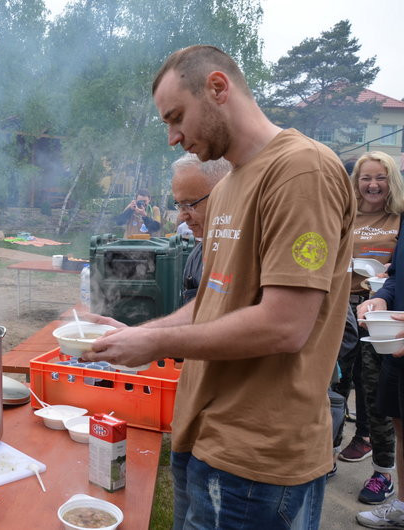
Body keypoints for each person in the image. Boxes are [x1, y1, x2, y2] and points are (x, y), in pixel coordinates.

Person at [84, 45, 354, 528]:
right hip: (203, 438)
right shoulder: (228, 185)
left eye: (176, 117)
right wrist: (137, 333)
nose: (171, 137)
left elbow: (285, 326)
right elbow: (213, 301)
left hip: (260, 462)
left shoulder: (301, 170)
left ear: (217, 87)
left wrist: (156, 339)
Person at [335, 152, 403, 504]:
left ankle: (383, 473)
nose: (373, 184)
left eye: (380, 177)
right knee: (335, 382)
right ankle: (325, 453)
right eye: (366, 178)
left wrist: (390, 274)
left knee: (376, 393)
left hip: (380, 312)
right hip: (340, 307)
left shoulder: (400, 217)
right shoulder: (345, 212)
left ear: (390, 181)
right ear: (356, 182)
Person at [356, 230, 404, 527]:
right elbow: (396, 276)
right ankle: (401, 505)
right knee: (401, 427)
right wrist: (381, 299)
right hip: (396, 345)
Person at [169, 153, 231, 304]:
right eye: (179, 205)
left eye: (189, 204)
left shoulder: (253, 252)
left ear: (224, 193)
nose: (183, 217)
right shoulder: (196, 256)